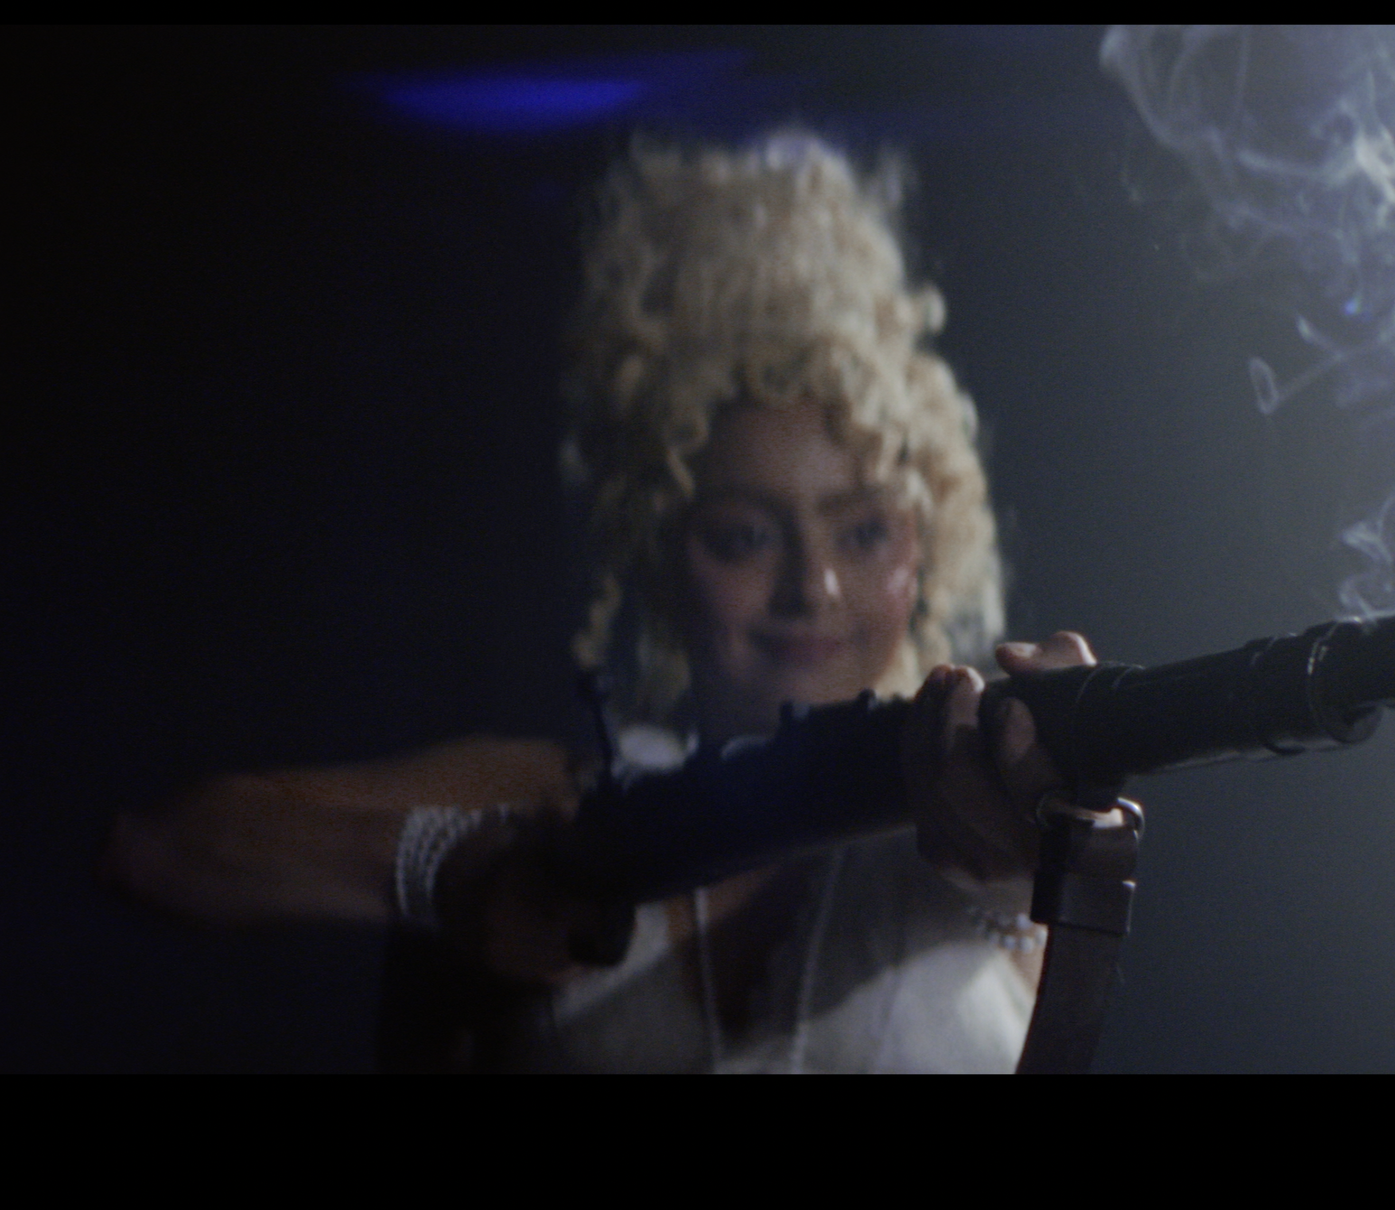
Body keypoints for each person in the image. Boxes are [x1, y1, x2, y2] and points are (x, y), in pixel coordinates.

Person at [105, 131, 1093, 1072]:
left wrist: (1059, 774)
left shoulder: (975, 806)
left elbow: (1042, 868)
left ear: (924, 540)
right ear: (658, 548)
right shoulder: (556, 801)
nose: (813, 587)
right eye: (745, 535)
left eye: (863, 531)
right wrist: (446, 873)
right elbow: (158, 849)